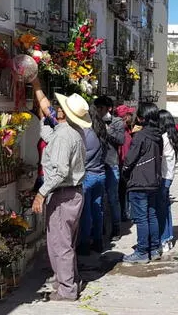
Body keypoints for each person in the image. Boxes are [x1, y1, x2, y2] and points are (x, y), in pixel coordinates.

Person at [30, 78, 90, 301]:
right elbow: (48, 133)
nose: (55, 107)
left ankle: (66, 289)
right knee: (65, 241)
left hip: (64, 194)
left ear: (64, 114)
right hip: (71, 194)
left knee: (60, 243)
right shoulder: (69, 132)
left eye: (59, 107)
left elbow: (59, 171)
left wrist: (41, 193)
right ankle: (68, 280)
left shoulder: (65, 136)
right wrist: (38, 92)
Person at [122, 103, 163, 264]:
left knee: (141, 218)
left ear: (141, 118)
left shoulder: (140, 136)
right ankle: (154, 247)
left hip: (139, 181)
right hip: (153, 181)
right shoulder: (157, 135)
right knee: (151, 215)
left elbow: (129, 159)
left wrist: (125, 171)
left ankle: (142, 251)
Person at [77, 106, 107, 256]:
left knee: (86, 212)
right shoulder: (96, 133)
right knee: (97, 209)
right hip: (99, 174)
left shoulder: (84, 134)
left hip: (88, 176)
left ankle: (84, 244)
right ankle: (98, 241)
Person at [94, 96, 125, 241]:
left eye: (101, 108)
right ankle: (100, 228)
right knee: (100, 199)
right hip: (97, 164)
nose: (99, 111)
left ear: (109, 109)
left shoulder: (117, 122)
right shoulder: (93, 122)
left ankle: (116, 228)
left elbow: (120, 140)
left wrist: (106, 131)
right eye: (97, 108)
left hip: (111, 163)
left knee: (113, 198)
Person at [158, 110, 178, 253]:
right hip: (168, 176)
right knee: (166, 208)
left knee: (161, 210)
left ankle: (164, 239)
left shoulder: (163, 139)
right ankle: (168, 237)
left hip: (163, 177)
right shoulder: (172, 137)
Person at [115, 104, 136, 222]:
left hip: (126, 164)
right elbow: (123, 151)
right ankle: (125, 212)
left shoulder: (128, 129)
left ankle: (127, 212)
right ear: (124, 116)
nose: (131, 116)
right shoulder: (121, 131)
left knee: (126, 191)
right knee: (124, 191)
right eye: (129, 114)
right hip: (123, 165)